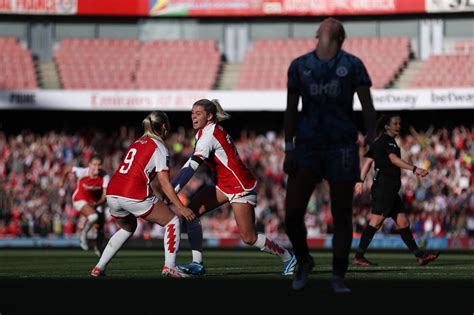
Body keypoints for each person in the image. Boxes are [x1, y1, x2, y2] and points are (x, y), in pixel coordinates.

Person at [283, 17, 377, 292]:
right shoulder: (299, 66)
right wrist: (288, 146)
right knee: (292, 213)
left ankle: (338, 274)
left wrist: (372, 136)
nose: (328, 25)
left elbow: (367, 106)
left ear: (339, 37)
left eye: (332, 28)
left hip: (341, 147)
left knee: (342, 214)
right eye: (323, 27)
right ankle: (304, 260)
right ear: (317, 35)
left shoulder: (353, 64)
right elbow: (290, 109)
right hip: (307, 147)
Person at [171, 99, 297, 276]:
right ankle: (197, 264)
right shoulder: (204, 133)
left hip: (239, 186)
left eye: (198, 113)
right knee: (191, 213)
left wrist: (172, 188)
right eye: (192, 113)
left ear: (209, 116)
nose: (193, 116)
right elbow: (190, 164)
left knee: (249, 237)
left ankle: (288, 257)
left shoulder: (208, 135)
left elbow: (192, 166)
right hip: (225, 184)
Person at [90, 111, 196, 278]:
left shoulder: (137, 142)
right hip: (132, 192)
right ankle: (170, 266)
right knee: (172, 221)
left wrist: (159, 196)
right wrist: (181, 207)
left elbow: (140, 173)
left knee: (128, 227)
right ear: (163, 127)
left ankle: (99, 267)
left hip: (113, 191)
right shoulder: (159, 146)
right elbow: (164, 181)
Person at [352, 114, 440, 267]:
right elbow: (393, 159)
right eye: (395, 124)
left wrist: (361, 180)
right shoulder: (388, 142)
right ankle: (358, 256)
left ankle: (420, 256)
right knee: (376, 222)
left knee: (403, 222)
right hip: (384, 188)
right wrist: (415, 169)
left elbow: (367, 164)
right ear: (387, 126)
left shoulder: (378, 142)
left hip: (389, 189)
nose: (398, 126)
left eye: (400, 124)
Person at [61, 155, 109, 256]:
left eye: (99, 165)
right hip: (80, 199)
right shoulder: (82, 172)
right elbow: (67, 169)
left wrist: (97, 203)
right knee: (93, 217)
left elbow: (104, 196)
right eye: (94, 164)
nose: (97, 167)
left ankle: (98, 247)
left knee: (100, 227)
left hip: (96, 202)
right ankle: (83, 235)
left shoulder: (105, 176)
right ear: (89, 165)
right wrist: (62, 182)